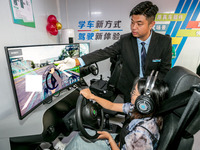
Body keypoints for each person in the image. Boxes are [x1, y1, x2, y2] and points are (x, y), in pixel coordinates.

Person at [56, 1, 172, 103]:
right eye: (132, 22)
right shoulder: (125, 40)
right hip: (130, 90)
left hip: (152, 92)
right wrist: (77, 62)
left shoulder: (164, 42)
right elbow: (104, 52)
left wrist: (149, 88)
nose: (133, 27)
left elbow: (165, 71)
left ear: (151, 24)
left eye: (139, 24)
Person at [64, 72, 169, 150]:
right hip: (122, 140)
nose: (131, 93)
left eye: (134, 92)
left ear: (144, 102)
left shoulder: (141, 135)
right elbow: (111, 105)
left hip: (117, 145)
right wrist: (92, 96)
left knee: (78, 142)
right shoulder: (140, 110)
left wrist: (109, 138)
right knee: (82, 134)